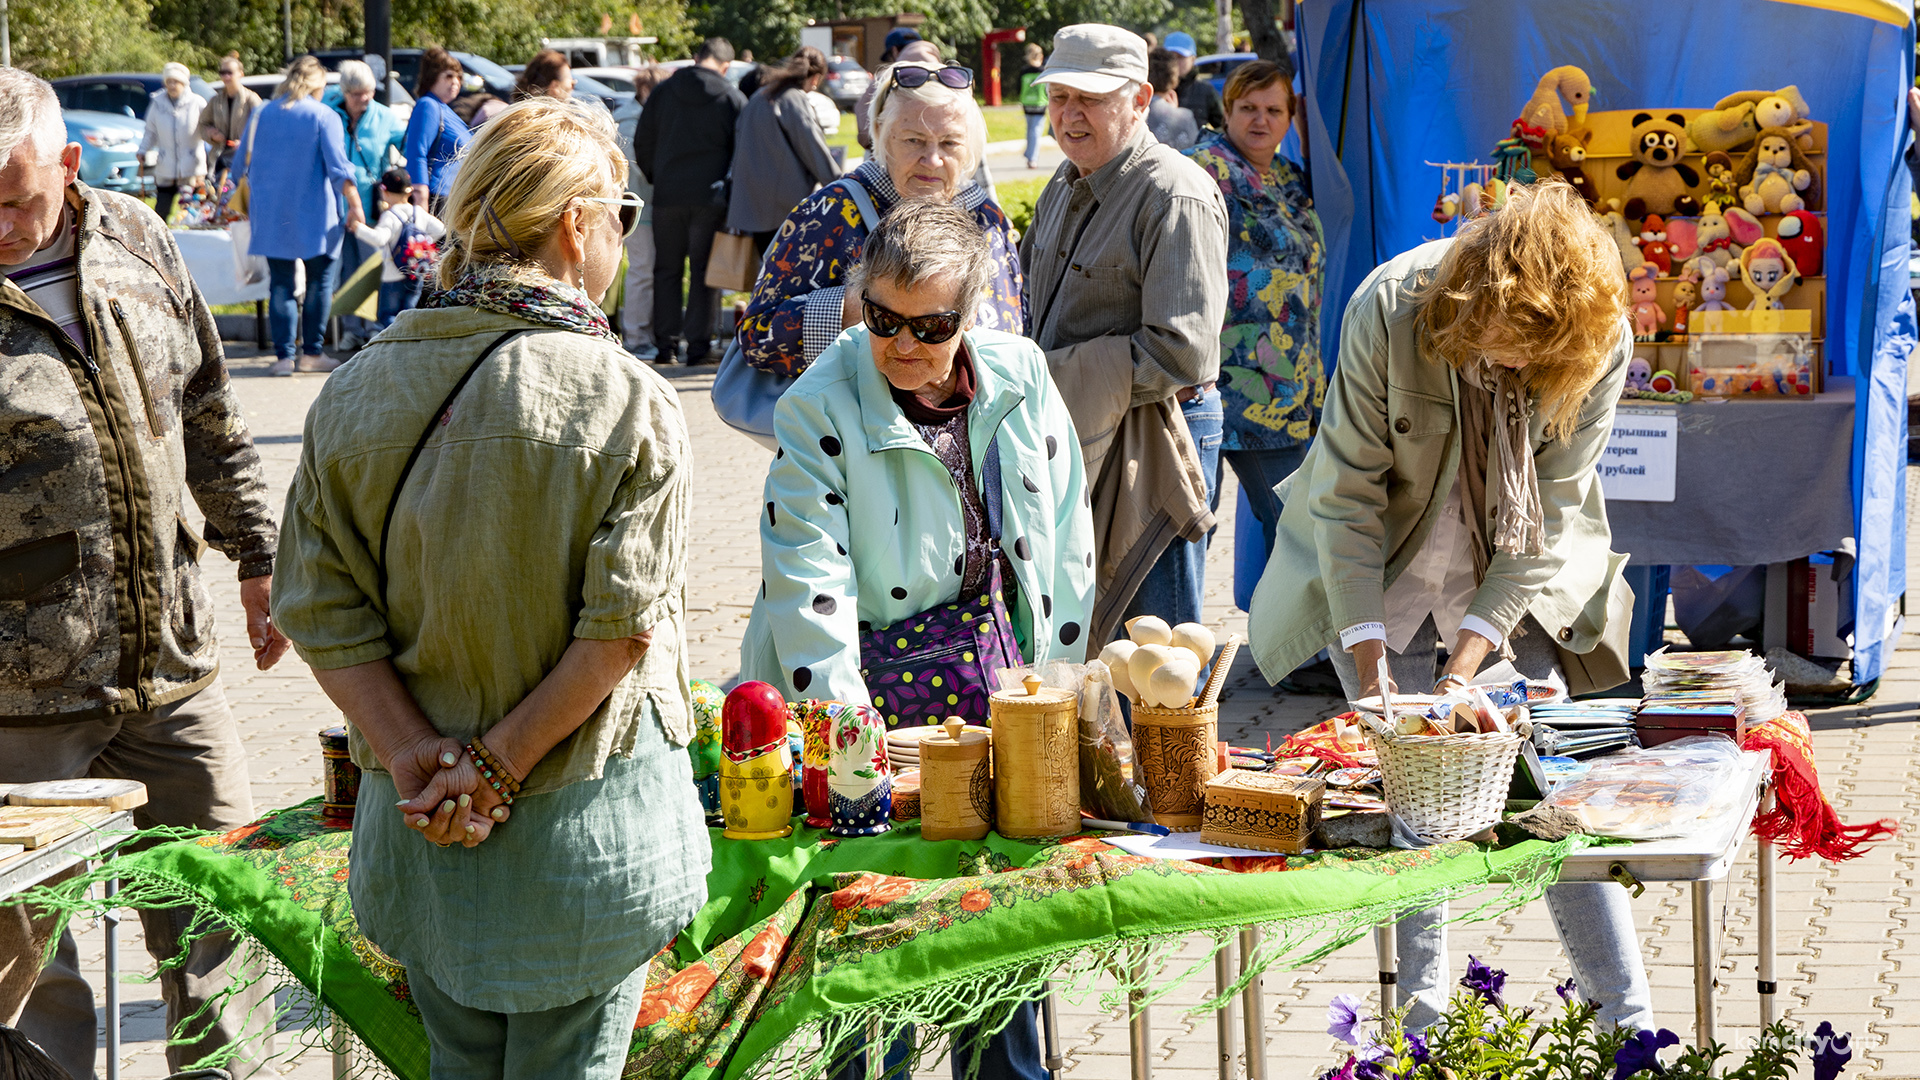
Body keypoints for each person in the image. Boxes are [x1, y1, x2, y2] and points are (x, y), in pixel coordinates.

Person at [273, 96, 706, 1080]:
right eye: (623, 217)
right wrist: (497, 770)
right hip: (580, 850)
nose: (622, 243)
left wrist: (418, 759)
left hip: (422, 838)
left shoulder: (357, 384)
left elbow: (319, 609)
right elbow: (620, 633)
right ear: (577, 222)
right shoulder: (625, 397)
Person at [1245, 180, 1648, 1033]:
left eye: (1532, 361)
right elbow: (1348, 493)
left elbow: (1552, 509)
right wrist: (1367, 660)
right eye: (1500, 350)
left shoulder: (1602, 332)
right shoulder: (1393, 303)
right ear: (1473, 302)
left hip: (1515, 579)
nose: (1512, 371)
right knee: (1411, 807)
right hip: (1377, 568)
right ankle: (1424, 1027)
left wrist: (1470, 663)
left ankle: (1628, 1024)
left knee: (1542, 799)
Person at [741, 199, 1087, 1080]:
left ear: (972, 314)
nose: (901, 345)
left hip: (995, 678)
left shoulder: (1020, 370)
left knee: (1001, 933)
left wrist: (1061, 686)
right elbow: (807, 584)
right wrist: (855, 746)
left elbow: (1065, 534)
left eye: (930, 327)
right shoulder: (818, 401)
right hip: (862, 690)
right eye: (884, 319)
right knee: (876, 955)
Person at [0, 67, 285, 1080]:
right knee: (36, 979)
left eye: (14, 196)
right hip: (20, 700)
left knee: (226, 924)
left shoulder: (138, 238)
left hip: (172, 667)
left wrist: (258, 553)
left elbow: (206, 408)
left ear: (69, 167)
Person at [1020, 24, 1227, 644]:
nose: (1069, 114)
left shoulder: (1174, 192)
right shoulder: (1064, 180)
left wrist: (1050, 377)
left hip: (1161, 432)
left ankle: (1167, 747)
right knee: (1093, 641)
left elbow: (1181, 354)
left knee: (1157, 648)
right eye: (1059, 97)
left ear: (1140, 100)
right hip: (1080, 428)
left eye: (1091, 98)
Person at [735, 57, 1017, 381]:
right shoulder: (832, 212)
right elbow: (758, 337)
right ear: (881, 133)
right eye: (914, 140)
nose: (933, 159)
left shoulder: (989, 222)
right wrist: (861, 307)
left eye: (950, 142)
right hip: (856, 427)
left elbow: (1017, 334)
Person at [1185, 59, 1323, 563]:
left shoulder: (1289, 175)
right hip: (1217, 378)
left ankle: (1286, 640)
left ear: (1291, 118)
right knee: (1194, 530)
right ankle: (1176, 639)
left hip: (1284, 386)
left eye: (1273, 110)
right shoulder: (1203, 169)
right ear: (1228, 110)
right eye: (1247, 108)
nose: (1260, 120)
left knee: (1293, 526)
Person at [238, 55, 365, 376]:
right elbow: (339, 168)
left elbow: (240, 164)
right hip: (317, 213)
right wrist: (355, 204)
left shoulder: (260, 113)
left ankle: (283, 358)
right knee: (319, 283)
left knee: (280, 284)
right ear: (317, 85)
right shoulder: (323, 115)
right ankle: (311, 353)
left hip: (270, 212)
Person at [633, 38, 745, 364]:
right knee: (703, 273)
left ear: (697, 58)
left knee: (665, 270)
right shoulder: (732, 97)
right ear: (725, 66)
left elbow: (643, 141)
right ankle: (698, 347)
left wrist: (658, 176)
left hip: (668, 196)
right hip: (711, 198)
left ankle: (665, 346)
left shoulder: (663, 92)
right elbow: (742, 151)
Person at [726, 46, 839, 261]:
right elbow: (813, 148)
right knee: (788, 279)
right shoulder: (793, 99)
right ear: (815, 78)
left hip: (751, 206)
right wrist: (840, 184)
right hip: (783, 211)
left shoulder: (761, 95)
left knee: (767, 277)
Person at [327, 59, 406, 349]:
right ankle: (350, 328)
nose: (365, 99)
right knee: (345, 269)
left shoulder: (385, 117)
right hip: (335, 203)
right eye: (357, 93)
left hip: (370, 205)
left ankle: (373, 326)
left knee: (372, 266)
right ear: (344, 92)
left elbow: (409, 144)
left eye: (369, 92)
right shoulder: (329, 111)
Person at [351, 167, 446, 331]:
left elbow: (379, 239)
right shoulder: (418, 212)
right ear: (409, 192)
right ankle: (409, 342)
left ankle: (394, 343)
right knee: (409, 314)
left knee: (387, 316)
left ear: (385, 193)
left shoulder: (390, 215)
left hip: (392, 275)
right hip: (416, 271)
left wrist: (358, 228)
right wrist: (421, 243)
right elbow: (441, 229)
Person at [613, 64, 664, 359]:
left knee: (644, 270)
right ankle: (636, 335)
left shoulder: (631, 119)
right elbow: (640, 172)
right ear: (646, 89)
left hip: (639, 205)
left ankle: (641, 332)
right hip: (637, 206)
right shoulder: (632, 123)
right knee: (642, 271)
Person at [403, 46, 473, 214]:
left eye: (459, 77)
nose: (455, 82)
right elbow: (416, 153)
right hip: (436, 199)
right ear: (433, 77)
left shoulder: (444, 109)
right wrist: (421, 199)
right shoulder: (428, 105)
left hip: (452, 198)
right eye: (449, 76)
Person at [141, 61, 206, 222]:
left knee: (192, 211)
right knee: (161, 211)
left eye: (175, 82)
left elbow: (207, 129)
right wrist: (142, 150)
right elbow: (150, 131)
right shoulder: (157, 103)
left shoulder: (197, 103)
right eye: (169, 81)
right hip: (166, 165)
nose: (172, 85)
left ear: (184, 83)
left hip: (192, 165)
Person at [200, 53, 260, 187]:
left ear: (240, 74)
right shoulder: (215, 100)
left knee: (239, 202)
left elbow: (264, 126)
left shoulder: (251, 98)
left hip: (243, 160)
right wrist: (211, 133)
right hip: (220, 159)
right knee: (219, 199)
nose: (226, 77)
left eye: (230, 73)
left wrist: (245, 142)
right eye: (222, 73)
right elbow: (202, 124)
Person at [1161, 32, 1225, 130]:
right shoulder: (1153, 88)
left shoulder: (1205, 90)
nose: (1175, 61)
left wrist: (1206, 141)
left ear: (1193, 59)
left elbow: (1224, 127)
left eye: (1180, 57)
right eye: (1170, 56)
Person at [1145, 48, 1199, 150]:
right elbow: (1193, 151)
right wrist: (1175, 111)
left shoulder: (1134, 112)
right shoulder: (1184, 116)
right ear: (1174, 78)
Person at [1018, 42, 1047, 168]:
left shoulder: (1024, 71)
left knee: (1030, 129)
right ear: (1040, 56)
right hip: (1040, 104)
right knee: (1036, 130)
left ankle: (1029, 153)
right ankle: (1032, 157)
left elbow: (1018, 87)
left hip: (1027, 103)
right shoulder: (1043, 71)